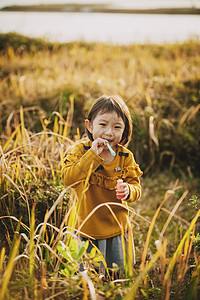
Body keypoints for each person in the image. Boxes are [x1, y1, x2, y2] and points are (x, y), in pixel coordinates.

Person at [61, 95, 142, 276]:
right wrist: (92, 155)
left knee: (113, 276)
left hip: (114, 226)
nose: (109, 133)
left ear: (125, 130)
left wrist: (129, 191)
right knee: (83, 278)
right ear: (90, 126)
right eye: (103, 125)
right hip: (84, 227)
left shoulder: (125, 157)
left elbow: (136, 187)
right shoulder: (80, 151)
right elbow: (68, 179)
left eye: (117, 127)